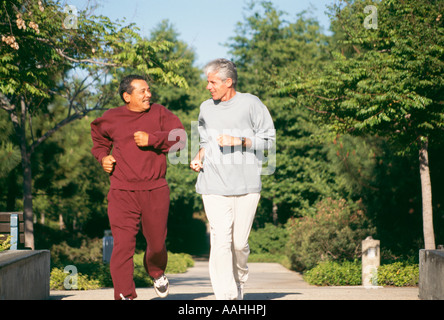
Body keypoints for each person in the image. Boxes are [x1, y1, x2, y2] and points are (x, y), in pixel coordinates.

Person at [91, 74, 185, 300]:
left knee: (156, 242)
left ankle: (156, 272)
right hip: (122, 192)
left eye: (148, 90)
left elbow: (180, 139)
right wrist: (103, 157)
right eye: (142, 91)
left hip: (155, 189)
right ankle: (125, 295)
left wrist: (152, 139)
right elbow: (99, 141)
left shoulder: (160, 113)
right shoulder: (112, 117)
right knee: (123, 246)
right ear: (127, 96)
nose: (148, 94)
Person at [190, 58, 275, 300]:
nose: (208, 87)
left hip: (247, 185)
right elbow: (205, 141)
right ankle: (225, 296)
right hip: (213, 184)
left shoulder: (251, 104)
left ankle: (239, 281)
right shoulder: (206, 108)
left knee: (239, 244)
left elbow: (269, 141)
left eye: (213, 82)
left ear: (228, 82)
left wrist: (240, 141)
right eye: (208, 82)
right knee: (220, 242)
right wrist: (199, 157)